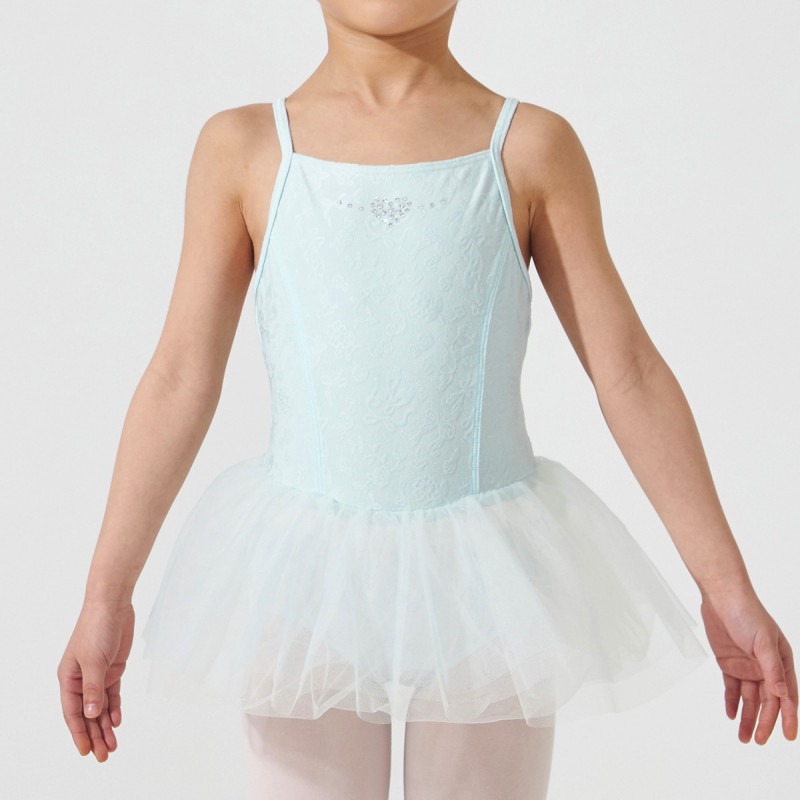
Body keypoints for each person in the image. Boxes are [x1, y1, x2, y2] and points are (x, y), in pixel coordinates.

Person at [57, 2, 797, 798]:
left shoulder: (528, 146)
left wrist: (727, 589)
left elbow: (630, 374)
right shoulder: (245, 148)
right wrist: (105, 596)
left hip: (486, 581)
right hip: (305, 583)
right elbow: (179, 376)